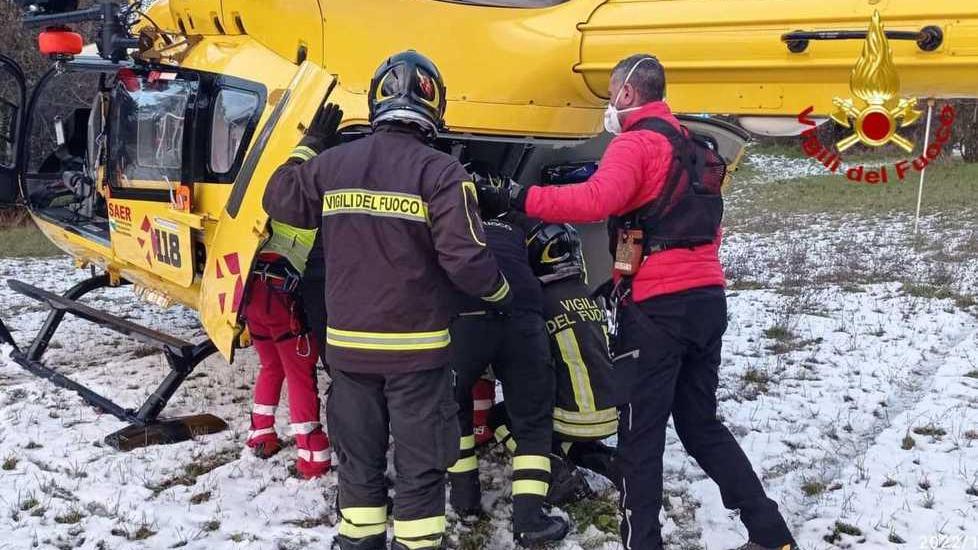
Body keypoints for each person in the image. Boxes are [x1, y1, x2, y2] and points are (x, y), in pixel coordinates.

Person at [477, 54, 798, 550]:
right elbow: (707, 225)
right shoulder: (698, 148)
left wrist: (518, 197)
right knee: (701, 425)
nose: (609, 102)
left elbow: (591, 201)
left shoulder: (635, 143)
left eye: (610, 93)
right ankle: (772, 534)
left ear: (627, 93)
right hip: (708, 300)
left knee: (640, 438)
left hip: (657, 312)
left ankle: (643, 542)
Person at [263, 51, 512, 550]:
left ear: (376, 101)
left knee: (361, 458)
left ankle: (359, 542)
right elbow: (466, 261)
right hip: (417, 355)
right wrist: (501, 292)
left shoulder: (333, 164)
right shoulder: (442, 173)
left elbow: (278, 197)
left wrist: (310, 146)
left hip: (349, 352)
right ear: (434, 105)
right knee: (420, 464)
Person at [447, 185, 570, 546]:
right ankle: (530, 519)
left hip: (467, 316)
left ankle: (465, 500)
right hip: (523, 316)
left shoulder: (451, 223)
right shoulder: (515, 228)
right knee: (532, 421)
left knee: (455, 406)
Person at [482, 219, 619, 505]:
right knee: (567, 432)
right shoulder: (589, 295)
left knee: (500, 417)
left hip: (571, 416)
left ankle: (555, 470)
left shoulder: (539, 302)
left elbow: (531, 364)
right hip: (609, 410)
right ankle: (608, 462)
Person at [244, 221, 330, 480]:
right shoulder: (318, 213)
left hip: (254, 292)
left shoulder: (275, 206)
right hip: (282, 296)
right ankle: (311, 454)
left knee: (271, 366)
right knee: (299, 374)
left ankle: (260, 433)